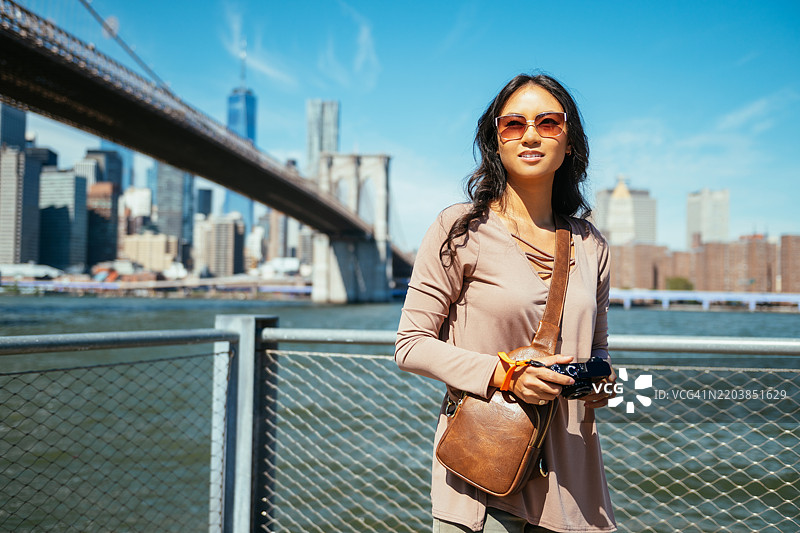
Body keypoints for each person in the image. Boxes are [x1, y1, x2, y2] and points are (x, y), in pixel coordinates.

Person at [394, 73, 618, 533]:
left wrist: (602, 384)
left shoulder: (592, 245)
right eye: (513, 124)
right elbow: (410, 345)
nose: (531, 134)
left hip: (574, 489)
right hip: (486, 479)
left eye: (548, 122)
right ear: (495, 141)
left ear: (570, 141)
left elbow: (601, 357)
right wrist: (506, 374)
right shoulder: (460, 229)